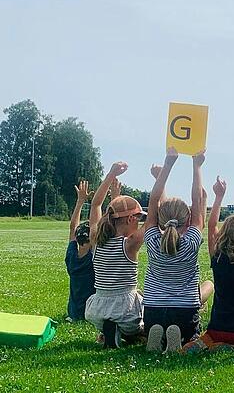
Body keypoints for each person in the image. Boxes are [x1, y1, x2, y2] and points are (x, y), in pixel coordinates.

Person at [143, 148, 213, 353]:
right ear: (189, 218)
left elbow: (154, 200)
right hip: (185, 311)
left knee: (155, 325)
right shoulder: (191, 242)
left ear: (159, 218)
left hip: (154, 310)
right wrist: (197, 165)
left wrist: (168, 165)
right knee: (192, 331)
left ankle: (157, 333)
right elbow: (197, 201)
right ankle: (181, 336)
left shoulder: (153, 240)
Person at [184, 175, 234, 352]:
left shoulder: (217, 257)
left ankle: (205, 343)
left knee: (207, 338)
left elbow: (211, 227)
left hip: (217, 328)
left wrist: (218, 197)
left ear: (224, 233)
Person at [84, 161, 146, 349]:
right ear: (130, 219)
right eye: (138, 219)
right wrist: (161, 177)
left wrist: (110, 173)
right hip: (127, 312)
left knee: (137, 296)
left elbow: (95, 204)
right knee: (146, 323)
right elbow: (153, 221)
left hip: (97, 311)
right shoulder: (129, 245)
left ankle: (110, 331)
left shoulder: (96, 239)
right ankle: (131, 334)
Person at [65, 180, 96, 322]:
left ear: (77, 239)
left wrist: (80, 202)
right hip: (90, 312)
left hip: (73, 312)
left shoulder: (71, 256)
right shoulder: (93, 258)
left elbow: (73, 227)